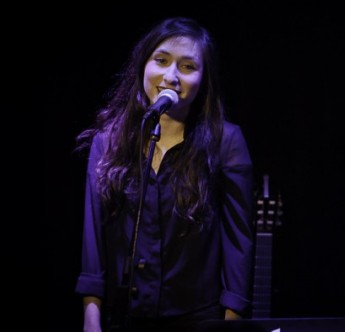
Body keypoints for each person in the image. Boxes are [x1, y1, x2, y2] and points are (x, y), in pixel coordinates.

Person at [74, 17, 254, 332]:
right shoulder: (108, 142)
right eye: (161, 61)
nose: (170, 76)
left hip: (199, 318)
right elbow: (94, 237)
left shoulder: (226, 141)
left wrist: (231, 322)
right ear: (143, 64)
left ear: (202, 78)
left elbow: (238, 241)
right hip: (125, 315)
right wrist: (92, 320)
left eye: (187, 67)